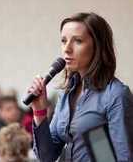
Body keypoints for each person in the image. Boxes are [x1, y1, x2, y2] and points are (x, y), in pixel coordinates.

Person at [28, 12, 133, 162]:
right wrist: (39, 111)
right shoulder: (66, 95)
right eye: (64, 41)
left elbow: (125, 157)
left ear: (98, 46)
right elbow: (47, 156)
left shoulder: (116, 94)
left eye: (77, 41)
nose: (67, 49)